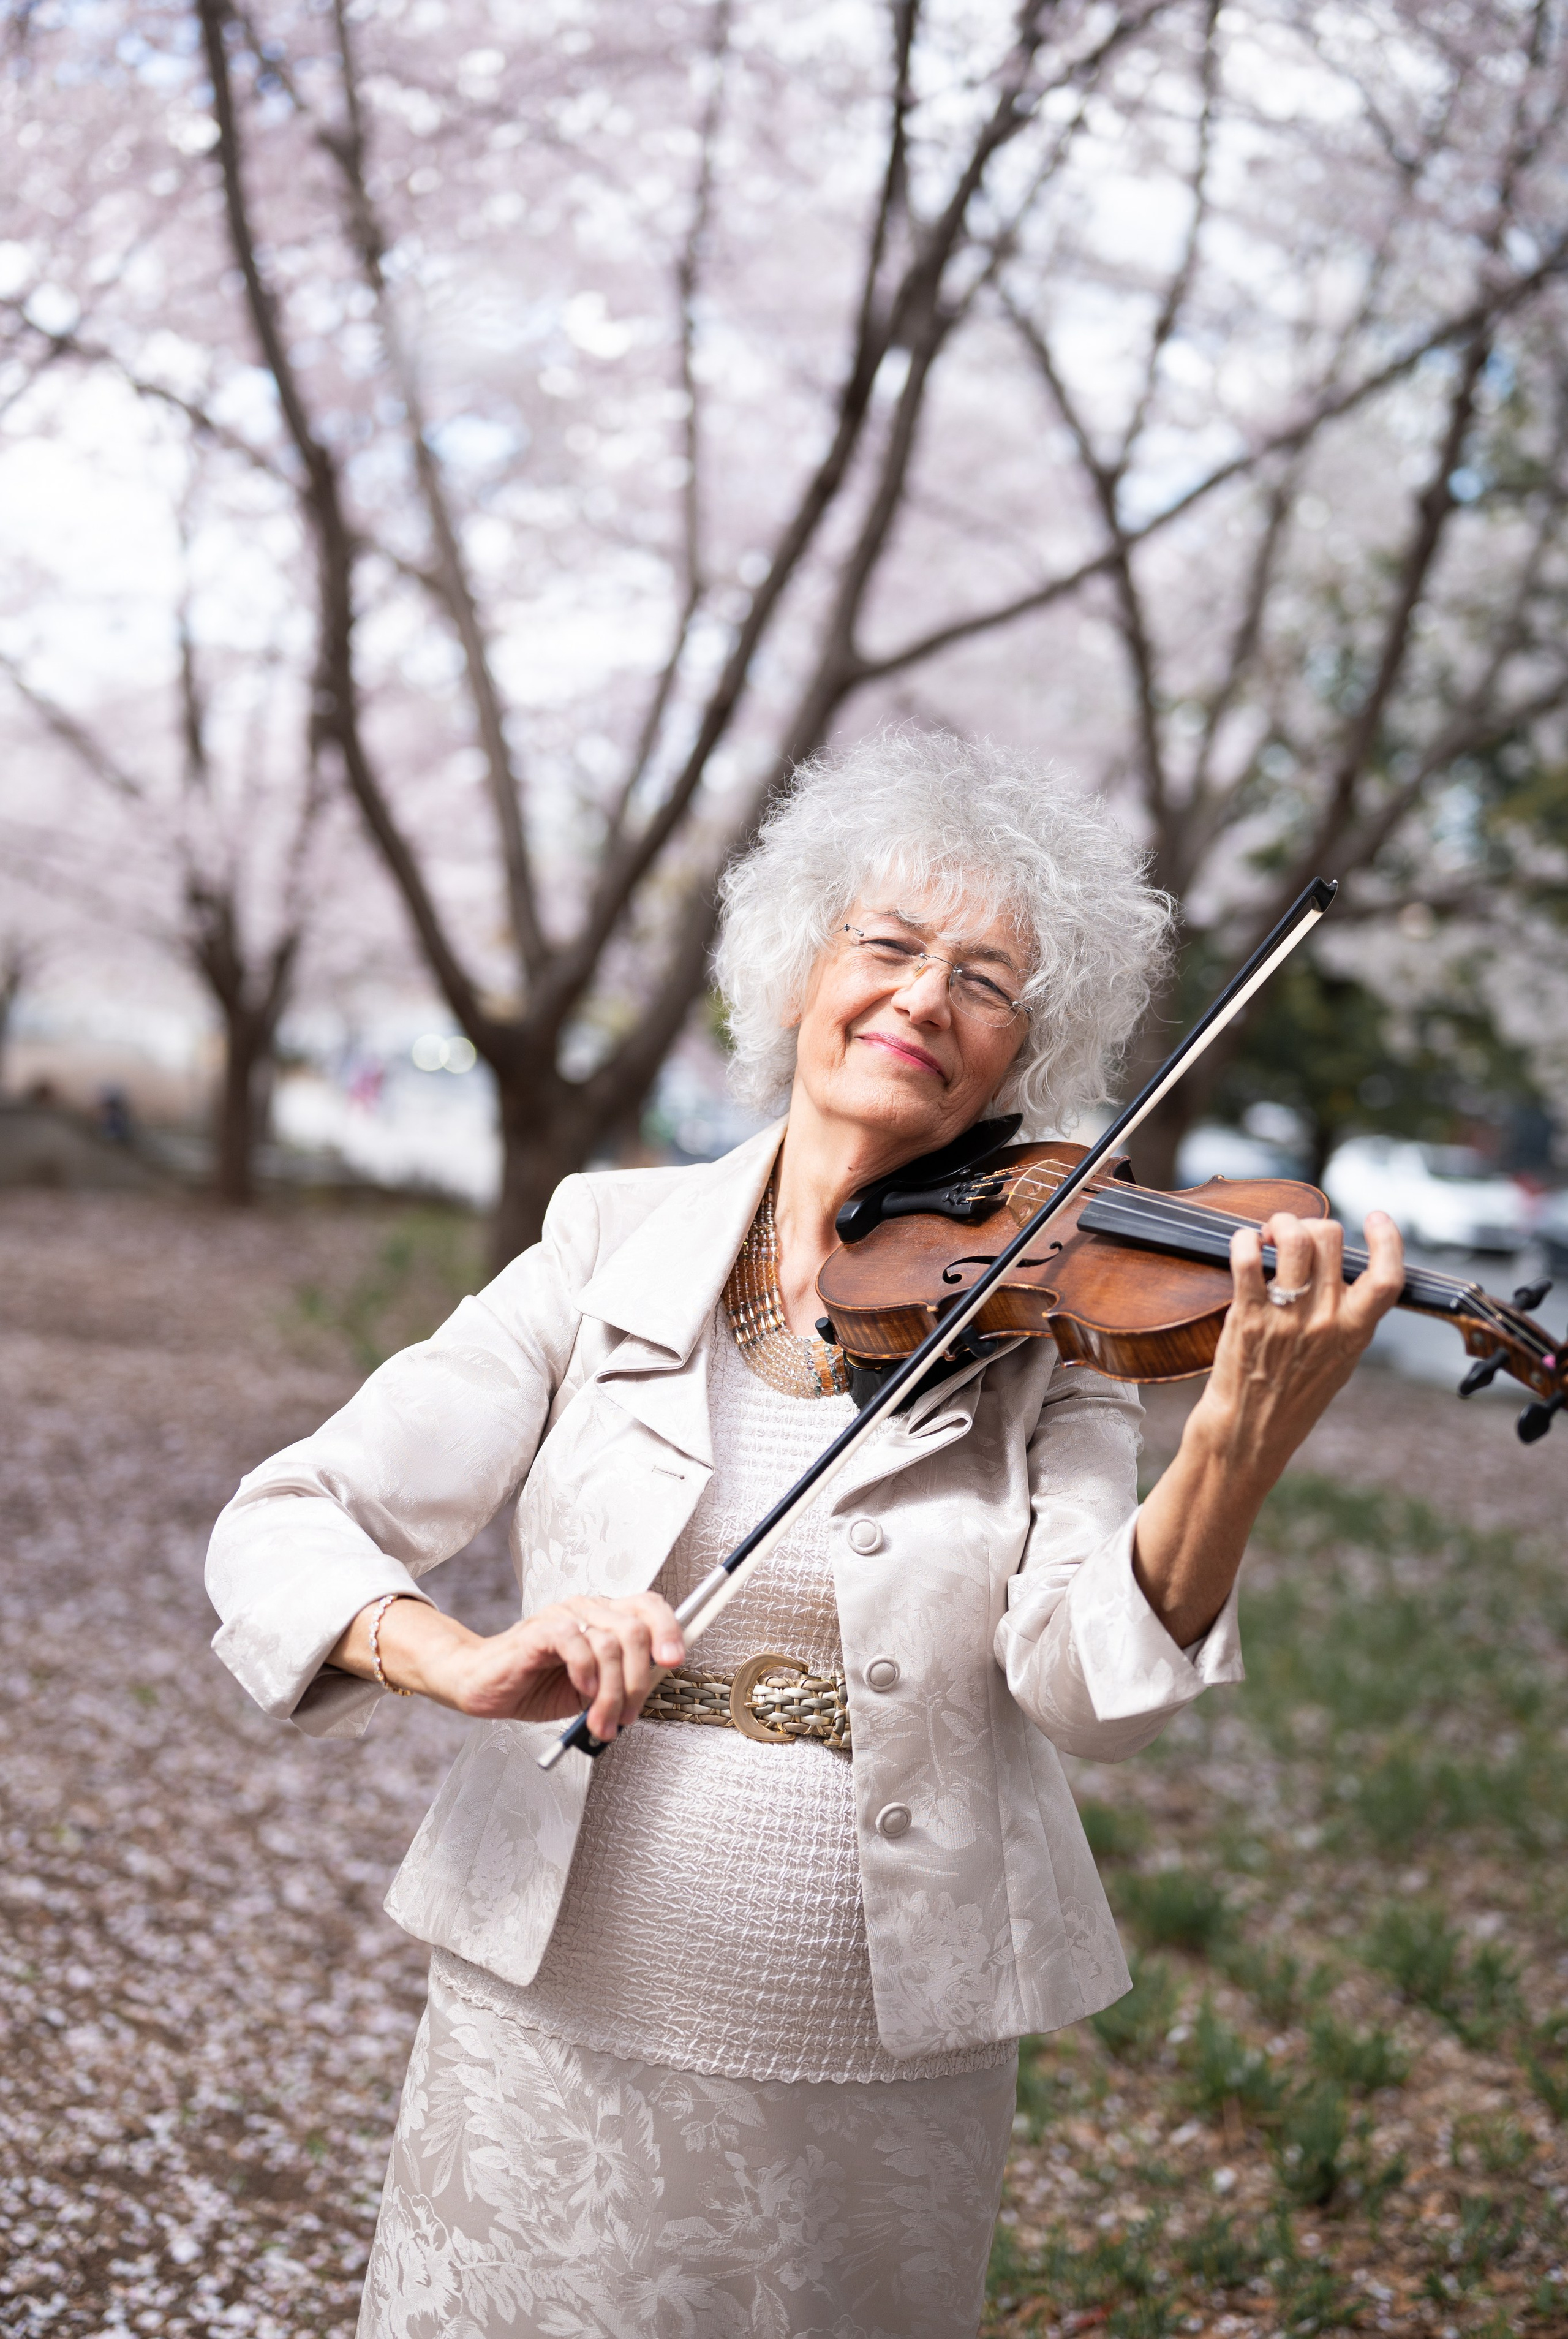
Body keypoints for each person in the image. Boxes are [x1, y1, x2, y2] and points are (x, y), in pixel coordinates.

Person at [206, 732, 1404, 2339]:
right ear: (796, 972)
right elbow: (293, 1515)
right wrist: (464, 1659)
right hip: (548, 2012)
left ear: (1023, 1057)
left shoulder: (1050, 1327)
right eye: (891, 946)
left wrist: (1242, 1441)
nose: (925, 999)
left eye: (988, 979)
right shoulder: (605, 1242)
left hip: (873, 2060)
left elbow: (1086, 1689)